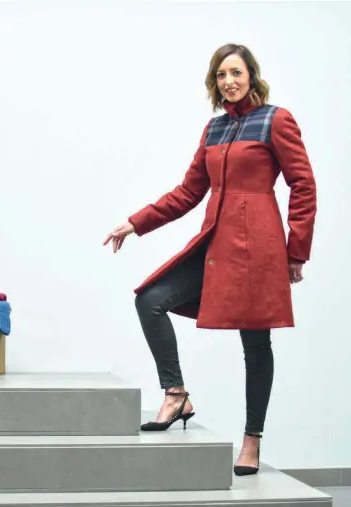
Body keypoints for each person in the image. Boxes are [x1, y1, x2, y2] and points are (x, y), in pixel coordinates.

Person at [103, 43, 317, 477]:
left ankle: (252, 439)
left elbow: (303, 185)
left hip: (258, 249)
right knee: (150, 299)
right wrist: (135, 222)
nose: (229, 82)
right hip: (217, 245)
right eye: (221, 76)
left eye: (236, 73)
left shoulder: (276, 120)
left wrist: (297, 252)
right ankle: (176, 393)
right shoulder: (215, 129)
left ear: (251, 76)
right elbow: (188, 193)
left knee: (255, 345)